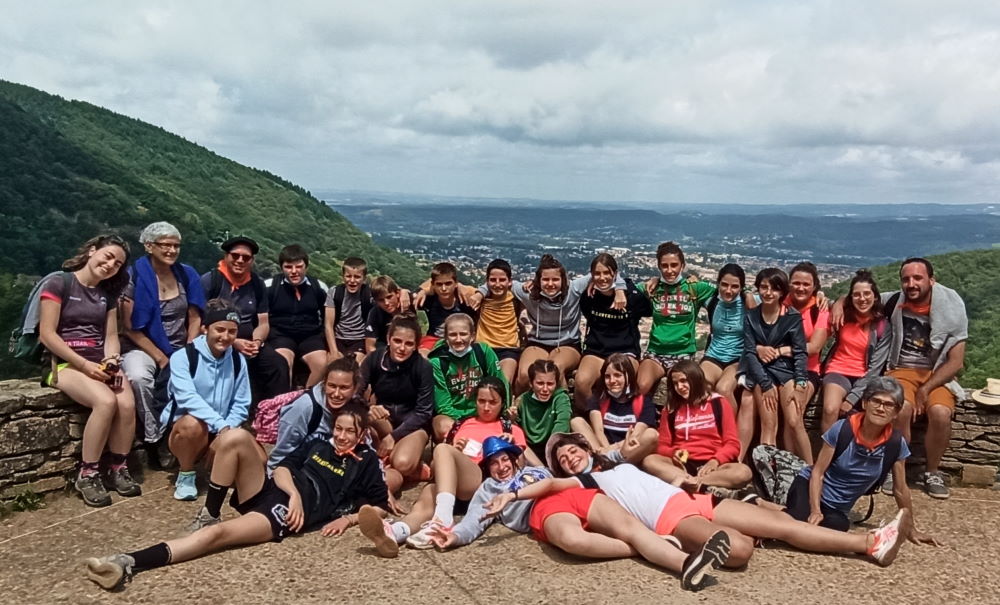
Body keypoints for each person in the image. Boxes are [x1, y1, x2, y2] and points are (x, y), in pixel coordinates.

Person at [489, 432, 911, 570]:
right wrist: (511, 492)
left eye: (572, 449)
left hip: (695, 501)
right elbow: (545, 487)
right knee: (740, 550)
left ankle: (868, 543)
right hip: (668, 520)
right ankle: (732, 543)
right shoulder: (582, 484)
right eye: (561, 458)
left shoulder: (616, 463)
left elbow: (649, 443)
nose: (568, 456)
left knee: (786, 526)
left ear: (587, 447)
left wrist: (691, 480)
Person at [85, 401, 390, 591]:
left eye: (350, 431)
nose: (342, 435)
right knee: (235, 437)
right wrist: (293, 492)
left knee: (218, 536)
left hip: (283, 514)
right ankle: (210, 512)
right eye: (338, 428)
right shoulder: (319, 444)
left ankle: (127, 562)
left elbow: (380, 506)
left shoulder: (364, 465)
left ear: (362, 434)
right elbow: (283, 467)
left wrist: (348, 519)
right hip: (279, 490)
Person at [835, 257, 967, 499]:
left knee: (940, 413)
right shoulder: (896, 300)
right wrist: (838, 303)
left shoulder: (952, 309)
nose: (911, 283)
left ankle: (932, 472)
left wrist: (926, 390)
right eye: (906, 279)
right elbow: (863, 298)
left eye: (917, 278)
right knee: (901, 408)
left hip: (936, 373)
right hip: (901, 369)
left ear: (932, 280)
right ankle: (896, 470)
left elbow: (956, 361)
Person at [37, 234, 139, 507]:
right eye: (107, 256)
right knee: (105, 401)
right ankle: (88, 472)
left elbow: (110, 336)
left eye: (117, 264)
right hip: (63, 362)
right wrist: (84, 366)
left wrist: (112, 361)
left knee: (126, 403)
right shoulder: (58, 282)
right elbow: (47, 334)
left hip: (98, 362)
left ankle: (118, 467)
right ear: (92, 251)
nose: (110, 265)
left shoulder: (107, 296)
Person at [786, 378, 937, 550]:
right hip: (808, 488)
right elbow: (817, 472)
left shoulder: (895, 444)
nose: (881, 408)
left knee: (837, 527)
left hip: (837, 508)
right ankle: (764, 510)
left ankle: (769, 509)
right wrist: (815, 510)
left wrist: (911, 528)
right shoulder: (842, 429)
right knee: (801, 522)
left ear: (896, 412)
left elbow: (900, 489)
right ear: (865, 403)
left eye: (889, 405)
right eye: (876, 401)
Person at [470, 254, 627, 395]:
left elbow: (609, 272)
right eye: (545, 279)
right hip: (537, 342)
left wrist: (619, 290)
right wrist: (480, 292)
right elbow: (501, 282)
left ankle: (562, 408)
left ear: (563, 279)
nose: (550, 284)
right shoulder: (528, 293)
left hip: (567, 343)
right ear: (538, 280)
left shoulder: (574, 288)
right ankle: (518, 408)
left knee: (555, 369)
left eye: (555, 279)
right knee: (524, 374)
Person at [405, 377, 529, 548]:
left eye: (493, 402)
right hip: (453, 488)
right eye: (481, 401)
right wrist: (455, 449)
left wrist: (511, 446)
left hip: (482, 483)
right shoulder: (462, 425)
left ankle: (443, 519)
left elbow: (520, 468)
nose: (486, 407)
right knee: (427, 496)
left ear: (502, 403)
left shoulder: (510, 429)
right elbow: (435, 469)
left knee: (442, 449)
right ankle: (397, 531)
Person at [120, 222, 206, 469]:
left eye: (176, 245)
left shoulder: (186, 274)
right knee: (139, 377)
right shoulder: (132, 278)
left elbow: (195, 316)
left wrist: (188, 350)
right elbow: (130, 327)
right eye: (165, 245)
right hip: (142, 345)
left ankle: (192, 437)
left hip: (181, 343)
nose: (172, 250)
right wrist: (161, 357)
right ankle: (155, 436)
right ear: (149, 246)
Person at [162, 299, 251, 501]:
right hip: (187, 430)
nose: (225, 337)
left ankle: (217, 466)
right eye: (219, 329)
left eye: (232, 332)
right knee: (192, 425)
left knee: (259, 463)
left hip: (222, 429)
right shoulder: (183, 357)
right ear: (205, 328)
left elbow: (241, 403)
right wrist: (221, 426)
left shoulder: (238, 360)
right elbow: (187, 399)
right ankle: (185, 473)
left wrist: (227, 430)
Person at [641, 360, 751, 494]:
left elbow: (732, 443)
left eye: (684, 381)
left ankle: (693, 482)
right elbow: (662, 445)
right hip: (682, 464)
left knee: (743, 472)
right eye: (675, 384)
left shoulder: (719, 403)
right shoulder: (670, 409)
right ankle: (696, 483)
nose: (680, 387)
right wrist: (673, 453)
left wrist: (715, 461)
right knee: (650, 461)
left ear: (695, 379)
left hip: (714, 464)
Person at [738, 268, 811, 464]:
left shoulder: (792, 317)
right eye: (763, 287)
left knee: (795, 421)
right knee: (769, 424)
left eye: (774, 288)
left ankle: (811, 470)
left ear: (782, 292)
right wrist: (765, 384)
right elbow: (750, 352)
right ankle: (768, 473)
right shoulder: (751, 317)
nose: (768, 293)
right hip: (762, 373)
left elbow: (800, 352)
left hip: (786, 372)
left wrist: (801, 382)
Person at [201, 236, 286, 401]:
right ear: (226, 256)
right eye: (235, 256)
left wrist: (257, 342)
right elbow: (198, 323)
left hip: (249, 340)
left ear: (252, 261)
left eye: (246, 257)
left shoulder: (256, 284)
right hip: (218, 340)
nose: (240, 260)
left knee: (277, 364)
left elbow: (263, 322)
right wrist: (233, 342)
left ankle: (273, 412)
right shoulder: (211, 281)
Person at [358, 315, 435, 496]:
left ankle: (407, 465)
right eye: (397, 341)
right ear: (388, 339)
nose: (401, 348)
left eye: (408, 344)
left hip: (414, 424)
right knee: (361, 418)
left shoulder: (423, 367)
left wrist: (393, 436)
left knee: (402, 462)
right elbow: (355, 392)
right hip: (385, 419)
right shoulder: (375, 358)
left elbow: (424, 412)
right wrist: (367, 407)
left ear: (416, 345)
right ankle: (396, 463)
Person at [636, 242, 716, 395]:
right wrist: (620, 290)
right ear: (658, 266)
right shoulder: (652, 288)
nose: (670, 270)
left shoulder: (695, 287)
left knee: (680, 391)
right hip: (656, 352)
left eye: (674, 265)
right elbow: (627, 289)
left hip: (683, 352)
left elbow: (728, 288)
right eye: (664, 266)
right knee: (641, 386)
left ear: (683, 265)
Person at [576, 253, 651, 411]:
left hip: (625, 351)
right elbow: (587, 313)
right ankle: (593, 416)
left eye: (606, 273)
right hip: (596, 351)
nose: (602, 278)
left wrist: (621, 288)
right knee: (581, 383)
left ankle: (621, 419)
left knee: (623, 383)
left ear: (615, 274)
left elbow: (648, 309)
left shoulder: (631, 297)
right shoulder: (589, 297)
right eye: (597, 273)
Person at [264, 356, 368, 471]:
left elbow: (365, 449)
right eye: (332, 386)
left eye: (344, 388)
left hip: (337, 471)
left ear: (355, 388)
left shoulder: (357, 408)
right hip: (300, 471)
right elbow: (280, 456)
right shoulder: (303, 408)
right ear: (324, 384)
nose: (336, 394)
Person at [820, 270, 891, 432]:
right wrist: (838, 302)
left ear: (875, 296)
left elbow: (875, 368)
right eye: (857, 295)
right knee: (830, 409)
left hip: (866, 376)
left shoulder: (882, 326)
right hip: (838, 370)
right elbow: (821, 300)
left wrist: (852, 399)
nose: (862, 299)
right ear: (851, 298)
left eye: (867, 294)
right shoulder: (843, 315)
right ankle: (829, 454)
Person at [428, 313, 507, 441]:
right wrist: (469, 421)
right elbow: (443, 406)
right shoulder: (437, 362)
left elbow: (501, 384)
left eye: (463, 334)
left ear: (472, 336)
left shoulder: (483, 352)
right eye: (453, 335)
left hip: (485, 411)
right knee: (444, 427)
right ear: (446, 338)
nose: (458, 339)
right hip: (453, 416)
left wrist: (502, 413)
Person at [571, 353, 659, 462]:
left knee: (651, 434)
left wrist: (612, 449)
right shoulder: (599, 398)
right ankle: (604, 461)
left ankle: (606, 462)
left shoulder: (643, 402)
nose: (612, 381)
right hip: (603, 447)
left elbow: (636, 435)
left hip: (628, 451)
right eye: (607, 376)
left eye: (618, 375)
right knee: (576, 421)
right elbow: (599, 431)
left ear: (628, 376)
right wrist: (606, 451)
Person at [264, 244, 329, 389]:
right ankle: (284, 401)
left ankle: (306, 396)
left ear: (306, 266)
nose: (294, 271)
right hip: (280, 335)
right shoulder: (270, 287)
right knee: (283, 363)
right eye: (288, 267)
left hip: (310, 335)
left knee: (322, 364)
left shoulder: (319, 287)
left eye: (299, 266)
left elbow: (328, 319)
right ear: (281, 267)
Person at [700, 263, 755, 411]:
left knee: (723, 389)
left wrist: (820, 295)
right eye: (724, 285)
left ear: (742, 287)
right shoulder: (712, 301)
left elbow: (782, 296)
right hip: (714, 355)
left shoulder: (748, 301)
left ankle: (730, 432)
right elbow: (687, 286)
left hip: (738, 358)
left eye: (735, 287)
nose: (728, 291)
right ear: (718, 284)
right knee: (700, 384)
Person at [509, 359, 572, 462]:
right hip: (530, 451)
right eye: (540, 383)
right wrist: (512, 419)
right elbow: (517, 430)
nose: (545, 389)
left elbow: (562, 423)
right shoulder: (522, 400)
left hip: (553, 446)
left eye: (550, 384)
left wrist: (551, 449)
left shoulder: (560, 397)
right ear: (531, 383)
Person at [785, 262, 830, 405]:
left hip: (808, 370)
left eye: (806, 284)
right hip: (780, 367)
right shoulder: (779, 304)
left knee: (794, 409)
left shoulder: (819, 309)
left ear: (814, 287)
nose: (801, 288)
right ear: (789, 284)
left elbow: (814, 347)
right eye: (796, 283)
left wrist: (781, 350)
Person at [473, 258, 523, 385]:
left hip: (508, 349)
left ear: (510, 281)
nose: (497, 284)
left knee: (503, 383)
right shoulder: (480, 299)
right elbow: (456, 285)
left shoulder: (516, 299)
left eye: (502, 280)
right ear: (487, 281)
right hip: (482, 347)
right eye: (493, 280)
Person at [415, 262, 477, 356]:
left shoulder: (464, 299)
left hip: (461, 339)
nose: (444, 288)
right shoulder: (429, 299)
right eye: (439, 284)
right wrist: (422, 290)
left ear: (456, 283)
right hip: (434, 338)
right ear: (433, 285)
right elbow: (408, 298)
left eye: (448, 284)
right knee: (421, 357)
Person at [324, 257, 373, 364]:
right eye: (348, 276)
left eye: (357, 277)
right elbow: (328, 324)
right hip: (338, 338)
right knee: (332, 365)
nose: (352, 281)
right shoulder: (335, 292)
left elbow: (388, 289)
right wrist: (333, 351)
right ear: (343, 277)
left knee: (354, 366)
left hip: (359, 339)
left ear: (364, 279)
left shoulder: (369, 294)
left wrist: (404, 292)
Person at [364, 275, 405, 353]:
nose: (386, 303)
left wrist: (406, 292)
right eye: (381, 300)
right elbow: (370, 345)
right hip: (384, 349)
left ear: (398, 293)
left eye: (389, 297)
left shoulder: (408, 304)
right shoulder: (375, 313)